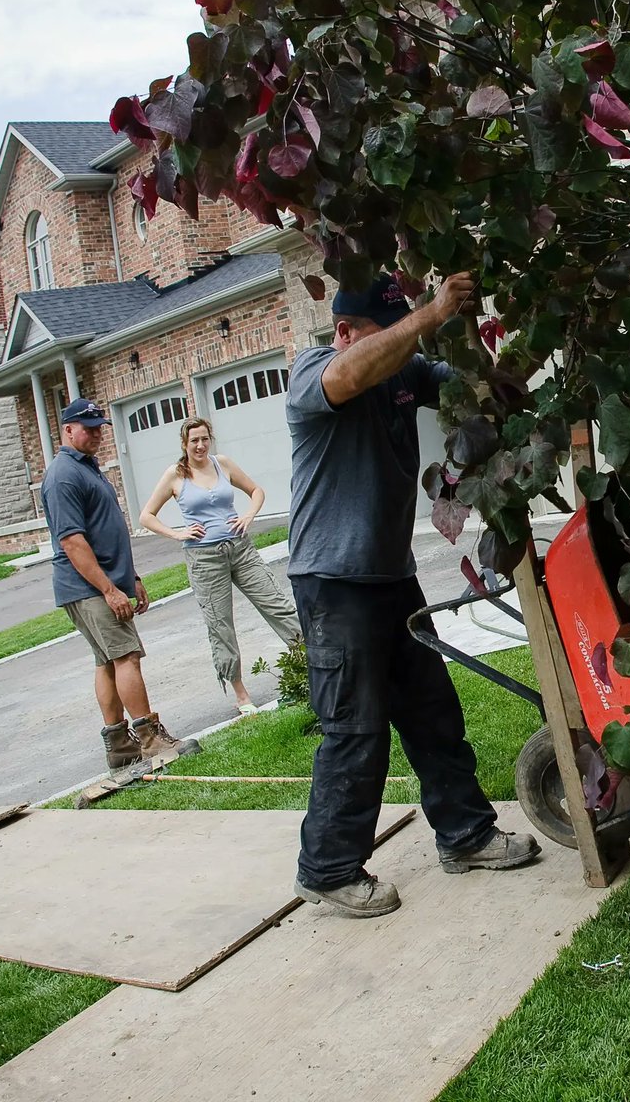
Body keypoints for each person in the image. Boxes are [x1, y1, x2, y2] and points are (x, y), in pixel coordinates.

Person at [285, 271, 540, 918]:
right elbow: (352, 376)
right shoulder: (314, 372)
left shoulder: (404, 370)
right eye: (386, 333)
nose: (402, 354)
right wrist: (427, 317)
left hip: (392, 577)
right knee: (355, 728)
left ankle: (467, 834)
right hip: (333, 584)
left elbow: (476, 391)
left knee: (432, 711)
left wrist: (524, 326)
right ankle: (329, 868)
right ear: (344, 332)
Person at [40, 397, 199, 769]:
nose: (96, 435)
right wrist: (109, 590)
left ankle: (119, 745)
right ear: (67, 430)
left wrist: (131, 579)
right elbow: (72, 541)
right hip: (88, 587)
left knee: (107, 661)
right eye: (88, 428)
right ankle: (150, 739)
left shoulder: (87, 468)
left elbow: (103, 531)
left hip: (101, 583)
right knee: (126, 656)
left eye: (99, 428)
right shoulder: (63, 475)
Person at [139, 416, 301, 714]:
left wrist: (248, 516)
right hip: (204, 558)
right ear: (184, 444)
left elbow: (257, 491)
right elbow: (146, 515)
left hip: (240, 548)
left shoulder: (222, 463)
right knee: (220, 624)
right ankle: (241, 695)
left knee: (276, 603)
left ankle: (309, 662)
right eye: (194, 441)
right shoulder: (175, 475)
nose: (200, 445)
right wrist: (177, 533)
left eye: (204, 439)